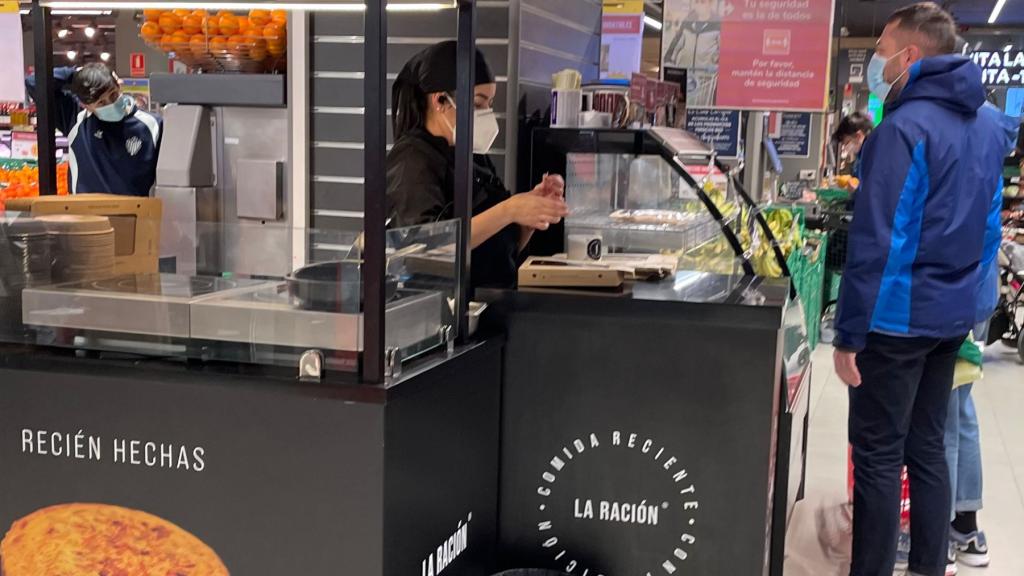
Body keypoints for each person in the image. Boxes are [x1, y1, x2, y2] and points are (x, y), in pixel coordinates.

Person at [832, 3, 1017, 576]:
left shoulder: (901, 131)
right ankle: (929, 568)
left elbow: (875, 243)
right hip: (950, 319)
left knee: (880, 456)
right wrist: (970, 307)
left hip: (893, 320)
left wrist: (848, 334)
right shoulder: (988, 126)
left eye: (883, 48)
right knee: (929, 447)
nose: (876, 62)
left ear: (909, 55)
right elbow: (990, 231)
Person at [386, 41, 568, 289]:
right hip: (443, 310)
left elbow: (501, 249)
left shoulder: (471, 154)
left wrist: (527, 219)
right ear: (440, 100)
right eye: (477, 104)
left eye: (490, 104)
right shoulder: (412, 159)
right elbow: (422, 246)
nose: (486, 114)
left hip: (493, 304)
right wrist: (508, 210)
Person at [25, 63, 161, 197]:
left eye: (113, 95)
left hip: (135, 215)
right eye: (101, 103)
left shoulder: (152, 125)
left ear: (119, 86)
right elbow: (34, 82)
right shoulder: (74, 117)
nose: (111, 104)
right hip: (84, 215)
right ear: (85, 105)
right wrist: (78, 74)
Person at [832, 112, 875, 176]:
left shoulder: (873, 156)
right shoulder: (861, 155)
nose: (846, 148)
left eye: (847, 143)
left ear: (858, 136)